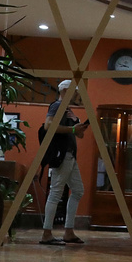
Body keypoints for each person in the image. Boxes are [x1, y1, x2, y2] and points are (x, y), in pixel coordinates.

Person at [39, 79, 88, 246]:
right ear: (65, 91)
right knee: (56, 193)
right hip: (63, 155)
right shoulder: (57, 106)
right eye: (74, 91)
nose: (76, 95)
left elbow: (79, 135)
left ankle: (68, 231)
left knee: (78, 190)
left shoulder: (67, 110)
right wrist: (72, 129)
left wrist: (76, 122)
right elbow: (48, 125)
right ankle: (47, 233)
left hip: (70, 155)